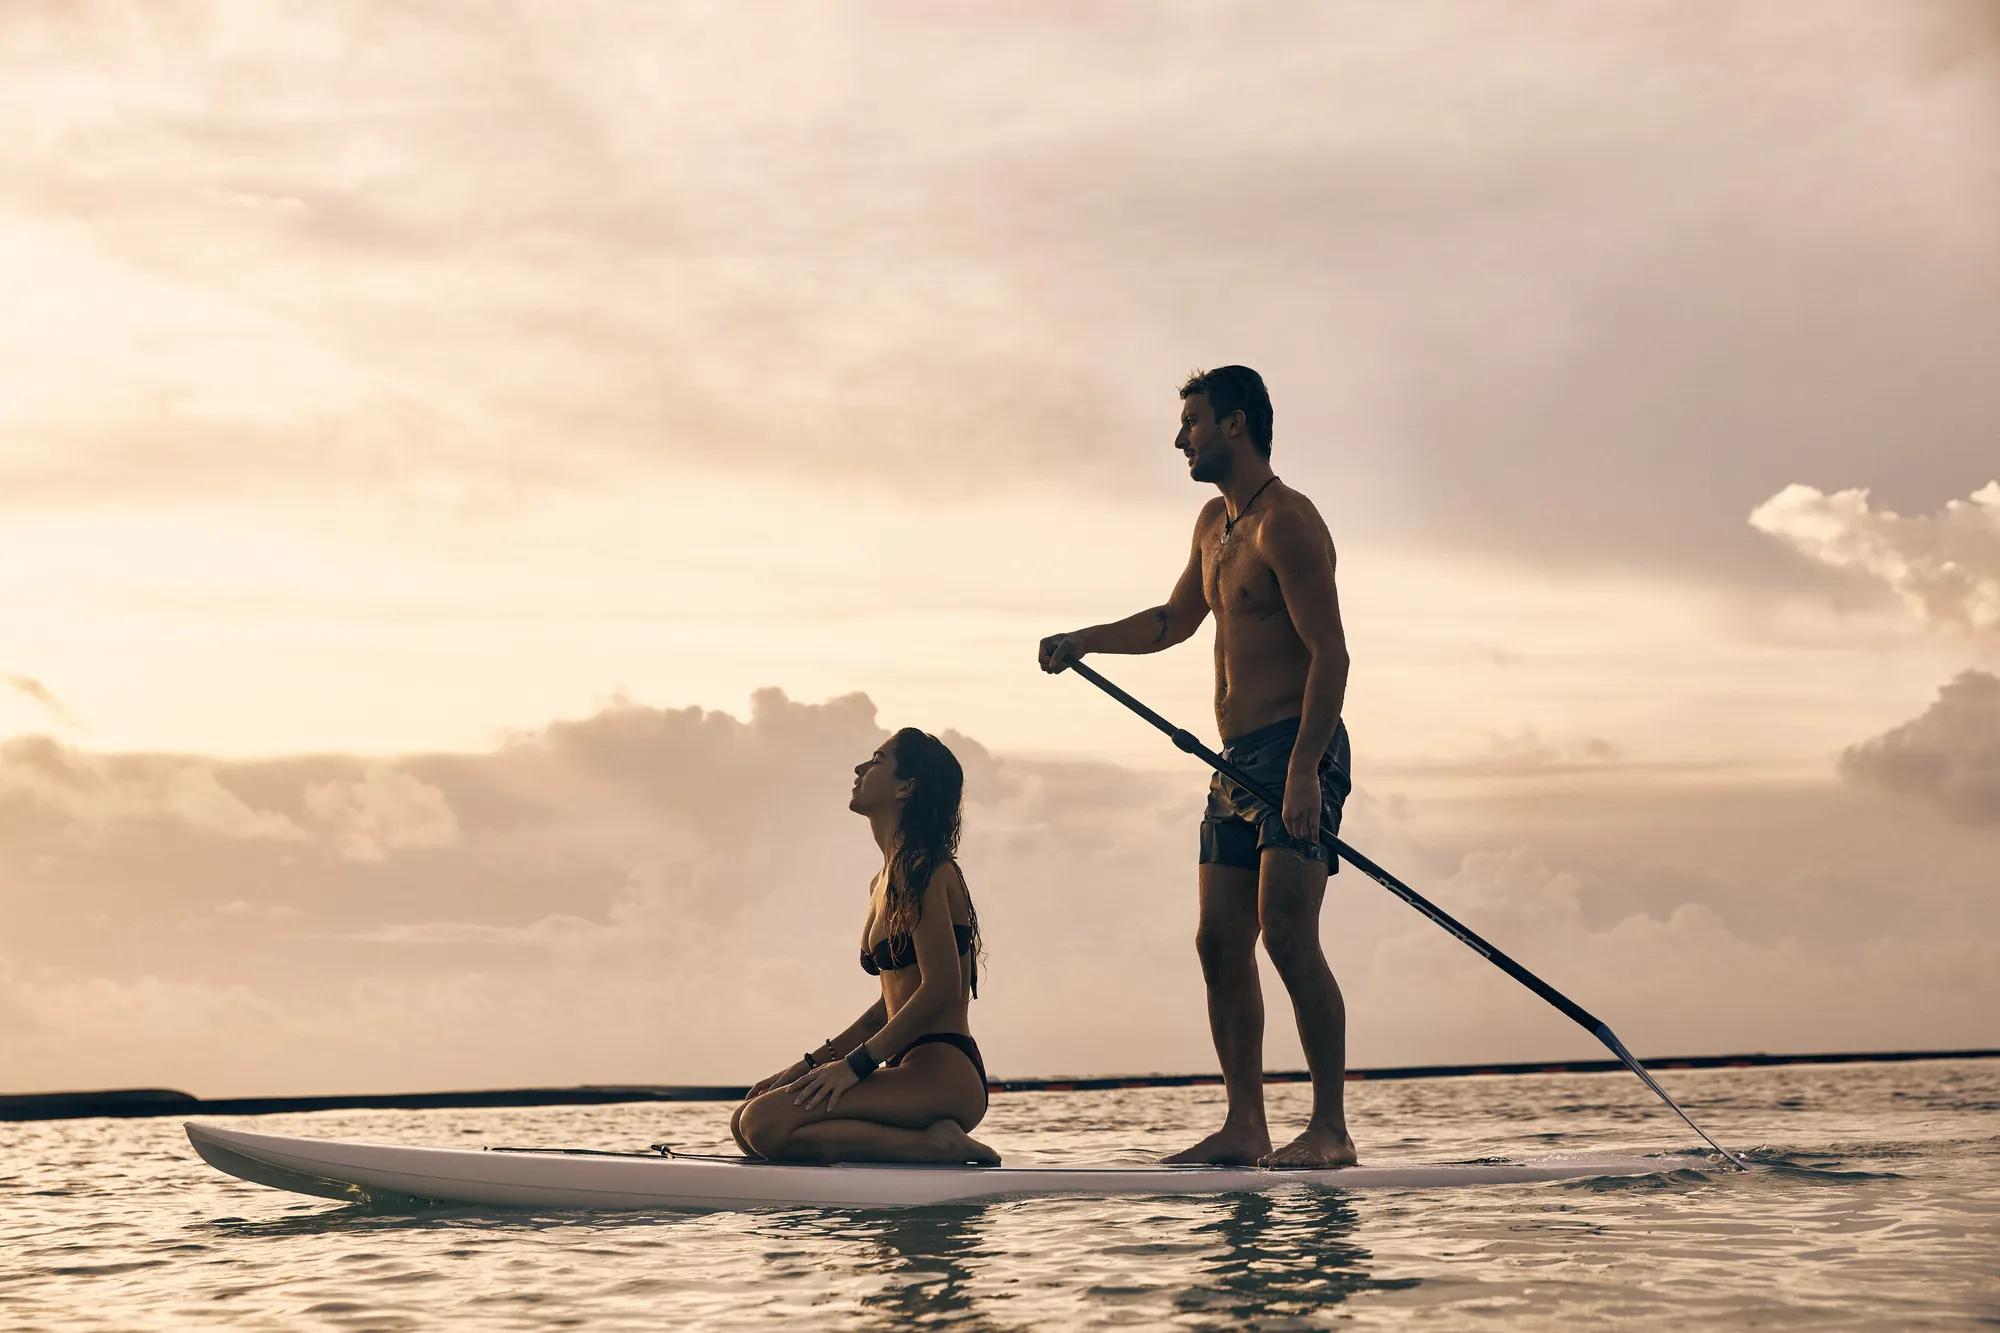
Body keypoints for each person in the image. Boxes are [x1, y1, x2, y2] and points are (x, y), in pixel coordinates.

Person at [1038, 365, 1357, 1169]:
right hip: (1231, 763)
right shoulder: (1212, 523)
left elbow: (1333, 655)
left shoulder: (1289, 523)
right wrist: (1085, 639)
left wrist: (1304, 772)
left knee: (1287, 933)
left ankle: (1330, 1129)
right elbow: (1175, 620)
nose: (1180, 438)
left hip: (1295, 751)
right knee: (1219, 942)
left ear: (1236, 425)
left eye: (1192, 422)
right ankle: (1245, 1124)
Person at [732, 728, 999, 1165]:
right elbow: (884, 1010)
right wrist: (805, 1067)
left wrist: (855, 1068)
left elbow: (942, 989)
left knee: (763, 1123)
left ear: (905, 787)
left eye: (876, 759)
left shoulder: (926, 869)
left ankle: (937, 1146)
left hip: (944, 1073)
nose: (859, 768)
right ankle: (915, 1145)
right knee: (747, 1122)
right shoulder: (884, 881)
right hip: (903, 1068)